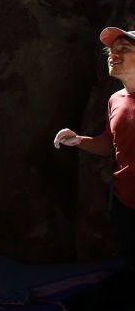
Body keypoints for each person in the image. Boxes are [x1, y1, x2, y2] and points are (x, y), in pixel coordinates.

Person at [53, 27, 135, 310]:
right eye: (112, 49)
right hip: (126, 203)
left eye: (124, 48)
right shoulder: (116, 99)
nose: (114, 53)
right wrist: (79, 141)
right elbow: (110, 145)